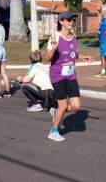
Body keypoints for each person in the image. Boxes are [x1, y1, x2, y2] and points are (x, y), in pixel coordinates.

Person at [44, 11, 93, 142]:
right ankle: (53, 131)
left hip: (70, 74)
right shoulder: (55, 37)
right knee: (63, 105)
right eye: (68, 20)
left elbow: (74, 54)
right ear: (61, 22)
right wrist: (53, 49)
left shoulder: (73, 37)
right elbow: (46, 59)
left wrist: (82, 57)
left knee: (76, 106)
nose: (71, 22)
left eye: (72, 20)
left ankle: (56, 112)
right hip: (57, 75)